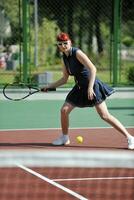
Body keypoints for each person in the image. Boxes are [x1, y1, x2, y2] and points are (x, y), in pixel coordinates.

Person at [42, 32, 134, 149]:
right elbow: (65, 79)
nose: (63, 45)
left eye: (65, 43)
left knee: (104, 115)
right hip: (80, 87)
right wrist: (49, 86)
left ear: (70, 42)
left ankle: (130, 137)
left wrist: (90, 87)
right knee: (64, 110)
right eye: (60, 44)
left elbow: (93, 69)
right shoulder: (64, 58)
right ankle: (65, 137)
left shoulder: (77, 53)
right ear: (58, 46)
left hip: (92, 85)